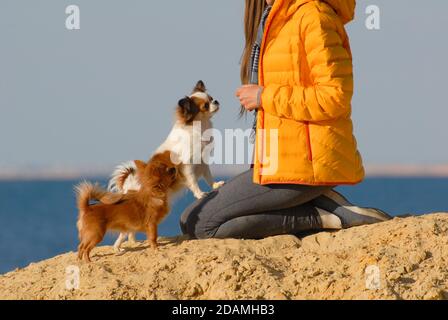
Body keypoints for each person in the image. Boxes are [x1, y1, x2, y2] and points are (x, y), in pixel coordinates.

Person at [180, 0, 391, 239]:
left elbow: (335, 96)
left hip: (307, 164)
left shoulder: (314, 16)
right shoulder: (271, 19)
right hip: (280, 161)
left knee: (202, 225)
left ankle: (325, 215)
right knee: (190, 220)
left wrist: (264, 96)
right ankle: (323, 205)